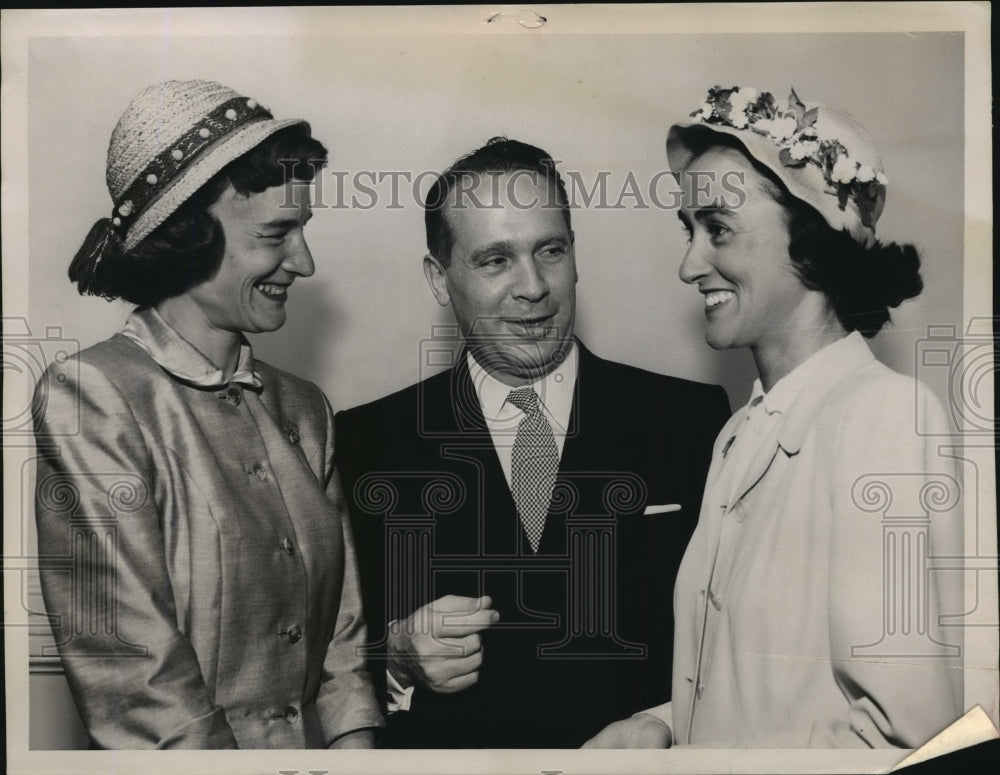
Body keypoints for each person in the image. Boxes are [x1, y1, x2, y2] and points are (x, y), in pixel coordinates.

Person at [583, 87, 964, 749]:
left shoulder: (881, 418)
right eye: (689, 229)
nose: (688, 263)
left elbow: (912, 740)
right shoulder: (739, 434)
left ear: (810, 242)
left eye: (718, 228)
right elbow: (768, 688)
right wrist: (661, 724)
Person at [334, 137, 731, 747]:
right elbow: (320, 665)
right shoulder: (363, 442)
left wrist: (665, 725)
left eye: (551, 250)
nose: (534, 287)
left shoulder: (690, 420)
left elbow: (741, 643)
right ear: (440, 280)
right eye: (495, 260)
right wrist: (398, 658)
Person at [32, 79, 383, 749]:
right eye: (277, 233)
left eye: (303, 230)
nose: (303, 262)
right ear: (189, 235)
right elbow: (138, 676)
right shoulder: (93, 396)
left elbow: (342, 641)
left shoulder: (305, 409)